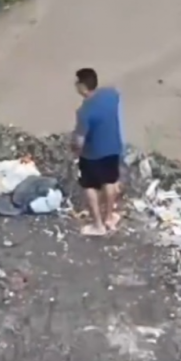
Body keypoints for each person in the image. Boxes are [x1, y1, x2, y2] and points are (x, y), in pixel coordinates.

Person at [72, 68, 124, 236]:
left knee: (90, 186)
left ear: (82, 86)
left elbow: (79, 139)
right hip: (113, 149)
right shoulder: (110, 95)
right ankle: (109, 217)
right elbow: (117, 90)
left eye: (77, 83)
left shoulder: (84, 111)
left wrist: (74, 150)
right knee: (110, 182)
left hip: (92, 154)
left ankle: (98, 225)